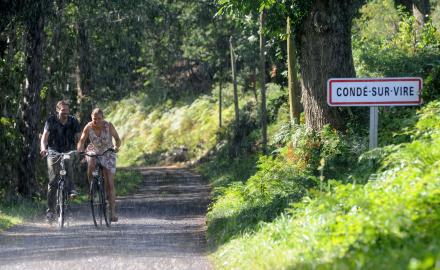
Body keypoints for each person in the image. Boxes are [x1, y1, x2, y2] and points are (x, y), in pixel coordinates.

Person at [77, 108, 121, 222]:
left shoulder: (109, 126)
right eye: (94, 118)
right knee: (91, 162)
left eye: (99, 118)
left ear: (103, 118)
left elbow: (117, 139)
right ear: (91, 118)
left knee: (110, 183)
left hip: (108, 152)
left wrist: (116, 147)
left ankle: (113, 213)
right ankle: (91, 187)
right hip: (94, 150)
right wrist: (80, 149)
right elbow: (82, 140)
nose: (96, 121)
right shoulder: (88, 126)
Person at [40, 100, 81, 222]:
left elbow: (79, 138)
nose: (66, 113)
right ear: (58, 110)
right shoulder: (50, 121)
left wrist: (80, 149)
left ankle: (71, 189)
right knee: (53, 181)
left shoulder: (73, 121)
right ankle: (50, 212)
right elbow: (44, 138)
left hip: (68, 150)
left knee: (68, 164)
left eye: (67, 110)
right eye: (63, 110)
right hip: (53, 151)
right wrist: (43, 148)